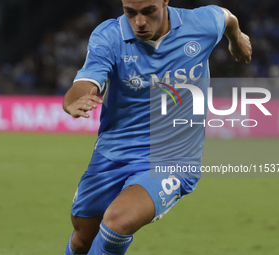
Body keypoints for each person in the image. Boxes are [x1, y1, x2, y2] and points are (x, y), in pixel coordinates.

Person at [63, 0, 252, 254]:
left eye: (148, 11)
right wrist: (75, 99)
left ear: (164, 2)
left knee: (118, 222)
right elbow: (87, 80)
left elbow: (227, 17)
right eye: (130, 12)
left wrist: (236, 38)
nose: (139, 22)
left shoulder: (200, 24)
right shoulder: (110, 35)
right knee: (83, 237)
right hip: (113, 154)